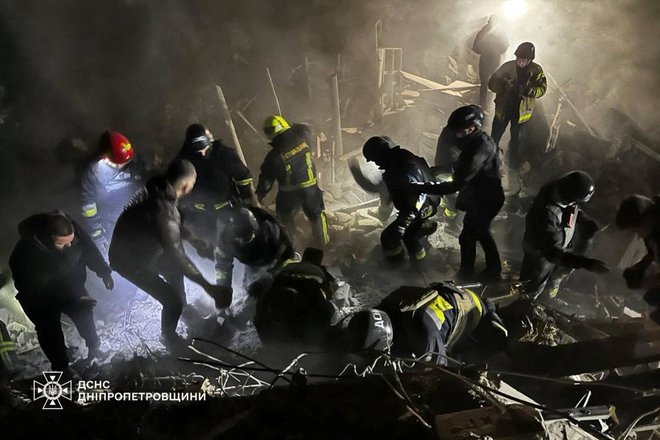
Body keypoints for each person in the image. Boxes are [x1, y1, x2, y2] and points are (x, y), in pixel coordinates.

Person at [109, 160, 231, 350]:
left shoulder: (159, 189)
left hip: (145, 244)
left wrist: (193, 240)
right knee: (171, 299)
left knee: (174, 273)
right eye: (193, 183)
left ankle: (182, 307)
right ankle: (169, 337)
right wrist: (209, 287)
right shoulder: (164, 211)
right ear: (185, 186)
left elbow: (170, 227)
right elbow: (178, 254)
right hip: (129, 260)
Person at [9, 212, 114, 374]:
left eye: (71, 242)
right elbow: (33, 291)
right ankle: (62, 368)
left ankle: (94, 348)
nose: (69, 246)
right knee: (49, 329)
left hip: (70, 287)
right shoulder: (23, 256)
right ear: (45, 238)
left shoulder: (71, 231)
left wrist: (104, 271)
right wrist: (73, 300)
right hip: (39, 300)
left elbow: (88, 248)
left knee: (84, 314)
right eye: (62, 244)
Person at [412, 105, 504, 281]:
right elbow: (461, 165)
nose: (456, 135)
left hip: (486, 199)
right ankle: (490, 270)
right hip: (483, 196)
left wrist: (422, 187)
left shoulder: (479, 148)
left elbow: (455, 185)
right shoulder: (476, 141)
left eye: (460, 131)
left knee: (470, 236)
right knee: (481, 233)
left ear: (473, 127)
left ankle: (469, 274)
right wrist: (438, 169)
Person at [342, 281, 508, 366]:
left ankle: (491, 309)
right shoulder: (384, 308)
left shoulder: (424, 336)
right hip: (450, 296)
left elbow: (439, 372)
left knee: (497, 341)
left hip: (474, 310)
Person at [176, 124, 256, 284]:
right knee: (215, 250)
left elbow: (243, 177)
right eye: (197, 152)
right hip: (200, 216)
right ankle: (225, 285)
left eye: (205, 150)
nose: (202, 154)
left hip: (228, 209)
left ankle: (252, 277)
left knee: (242, 241)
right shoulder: (182, 161)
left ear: (210, 142)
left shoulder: (224, 154)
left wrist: (248, 202)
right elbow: (177, 191)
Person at [520, 171, 609, 300]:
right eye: (576, 201)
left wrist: (586, 221)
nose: (576, 204)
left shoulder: (562, 192)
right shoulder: (546, 213)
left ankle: (547, 299)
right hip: (541, 255)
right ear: (570, 196)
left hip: (557, 249)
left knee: (553, 279)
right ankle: (525, 304)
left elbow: (573, 211)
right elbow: (552, 253)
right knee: (532, 285)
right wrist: (586, 264)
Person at [362, 136, 440, 263]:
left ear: (381, 154)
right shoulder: (401, 158)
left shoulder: (401, 168)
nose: (376, 164)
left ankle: (407, 266)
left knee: (395, 236)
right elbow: (387, 192)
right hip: (425, 204)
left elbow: (419, 194)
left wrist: (404, 222)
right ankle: (425, 253)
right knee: (403, 233)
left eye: (375, 160)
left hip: (422, 207)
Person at [256, 115, 329, 247]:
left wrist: (260, 194)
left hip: (288, 195)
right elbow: (304, 126)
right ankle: (322, 244)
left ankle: (292, 247)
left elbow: (266, 179)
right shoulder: (304, 138)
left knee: (284, 220)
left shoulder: (274, 156)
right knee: (317, 215)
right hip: (310, 189)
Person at [253, 247, 338, 349]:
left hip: (272, 309)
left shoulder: (289, 267)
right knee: (328, 310)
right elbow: (329, 294)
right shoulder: (319, 271)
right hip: (302, 317)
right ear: (318, 261)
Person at [80, 130, 146, 255]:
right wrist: (97, 236)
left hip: (134, 211)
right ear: (104, 156)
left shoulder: (136, 161)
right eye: (118, 164)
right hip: (108, 216)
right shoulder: (93, 172)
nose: (122, 166)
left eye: (126, 163)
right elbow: (88, 206)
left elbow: (143, 185)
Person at [488, 42, 547, 169]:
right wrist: (503, 85)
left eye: (523, 60)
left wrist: (528, 90)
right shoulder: (507, 67)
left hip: (521, 114)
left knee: (517, 140)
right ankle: (489, 158)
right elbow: (491, 84)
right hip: (503, 109)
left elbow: (542, 89)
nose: (520, 62)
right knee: (495, 135)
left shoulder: (536, 70)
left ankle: (512, 163)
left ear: (530, 60)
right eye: (518, 59)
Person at [615, 195, 660, 323]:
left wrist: (645, 283)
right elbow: (653, 252)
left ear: (646, 220)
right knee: (652, 297)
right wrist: (640, 268)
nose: (639, 236)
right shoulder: (652, 229)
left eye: (636, 230)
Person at [472, 14, 509, 108]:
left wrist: (496, 52)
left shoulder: (500, 33)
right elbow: (475, 47)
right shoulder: (483, 33)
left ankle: (493, 103)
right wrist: (485, 51)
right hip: (487, 59)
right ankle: (483, 103)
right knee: (484, 82)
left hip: (494, 59)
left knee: (495, 82)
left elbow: (505, 45)